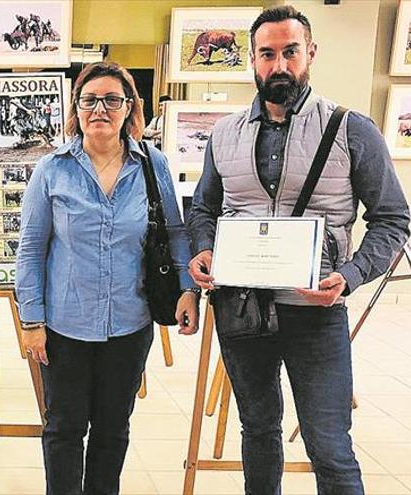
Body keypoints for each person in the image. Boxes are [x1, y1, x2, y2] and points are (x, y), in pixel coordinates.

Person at [186, 6, 410, 494]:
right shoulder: (224, 134)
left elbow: (394, 218)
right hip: (241, 308)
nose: (279, 64)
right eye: (267, 54)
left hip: (316, 311)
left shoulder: (353, 129)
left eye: (290, 51)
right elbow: (202, 209)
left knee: (328, 444)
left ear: (310, 53)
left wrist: (350, 275)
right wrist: (203, 250)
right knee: (259, 431)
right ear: (252, 59)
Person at [15, 61, 199, 495]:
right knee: (63, 429)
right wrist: (31, 321)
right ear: (76, 108)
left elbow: (174, 231)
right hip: (64, 326)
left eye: (112, 100)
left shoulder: (153, 165)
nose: (100, 108)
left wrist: (187, 289)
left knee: (113, 430)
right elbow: (30, 248)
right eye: (89, 99)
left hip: (129, 325)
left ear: (129, 107)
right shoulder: (52, 170)